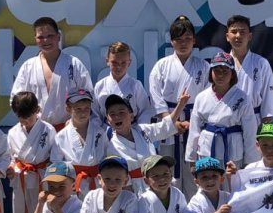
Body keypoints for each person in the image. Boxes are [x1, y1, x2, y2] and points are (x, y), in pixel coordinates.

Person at [149, 15, 210, 197]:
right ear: (171, 41)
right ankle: (171, 211)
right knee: (167, 171)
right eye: (179, 39)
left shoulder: (204, 67)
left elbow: (208, 98)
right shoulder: (161, 66)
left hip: (194, 123)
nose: (183, 43)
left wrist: (194, 122)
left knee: (193, 171)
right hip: (168, 123)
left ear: (194, 40)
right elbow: (156, 97)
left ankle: (194, 210)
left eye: (187, 39)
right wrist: (170, 122)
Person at [7, 91, 62, 213]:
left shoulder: (48, 129)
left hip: (42, 179)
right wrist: (11, 168)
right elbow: (11, 158)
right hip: (21, 180)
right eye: (21, 118)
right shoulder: (13, 132)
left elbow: (55, 157)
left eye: (29, 117)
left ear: (37, 110)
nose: (25, 121)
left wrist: (52, 178)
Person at [11, 17, 93, 131]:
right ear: (35, 39)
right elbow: (16, 99)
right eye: (40, 37)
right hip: (36, 129)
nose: (45, 40)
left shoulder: (74, 64)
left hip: (69, 129)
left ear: (58, 37)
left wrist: (77, 121)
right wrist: (28, 119)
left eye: (50, 36)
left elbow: (88, 95)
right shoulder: (28, 67)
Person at [185, 52, 259, 170]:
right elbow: (194, 130)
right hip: (207, 151)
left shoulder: (242, 98)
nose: (220, 75)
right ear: (211, 72)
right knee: (207, 180)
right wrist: (192, 158)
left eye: (225, 71)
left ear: (232, 74)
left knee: (232, 181)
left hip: (232, 152)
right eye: (217, 71)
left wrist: (250, 162)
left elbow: (250, 132)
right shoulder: (201, 97)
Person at [105, 91, 188, 194]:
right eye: (112, 114)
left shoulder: (142, 130)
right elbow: (119, 176)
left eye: (121, 112)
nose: (117, 117)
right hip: (132, 190)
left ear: (131, 116)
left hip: (156, 182)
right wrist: (130, 199)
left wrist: (181, 104)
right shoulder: (111, 146)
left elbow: (165, 127)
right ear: (108, 120)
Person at [55, 89, 108, 199]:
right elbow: (56, 163)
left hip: (97, 183)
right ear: (68, 109)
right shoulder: (61, 136)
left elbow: (107, 157)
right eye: (78, 109)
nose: (83, 113)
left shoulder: (100, 132)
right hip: (73, 184)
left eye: (86, 108)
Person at [226, 15, 273, 121]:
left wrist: (266, 127)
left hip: (254, 119)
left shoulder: (261, 63)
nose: (238, 35)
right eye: (234, 32)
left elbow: (268, 102)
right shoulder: (221, 65)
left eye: (242, 32)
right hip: (227, 119)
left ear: (249, 36)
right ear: (227, 36)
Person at [93, 41, 154, 125]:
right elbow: (95, 114)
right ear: (107, 61)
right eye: (114, 63)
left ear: (129, 62)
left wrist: (138, 130)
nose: (119, 67)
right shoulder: (100, 86)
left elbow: (145, 111)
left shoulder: (135, 85)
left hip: (132, 129)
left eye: (123, 63)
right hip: (106, 130)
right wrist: (99, 129)